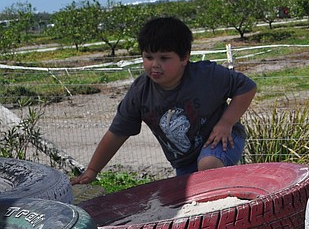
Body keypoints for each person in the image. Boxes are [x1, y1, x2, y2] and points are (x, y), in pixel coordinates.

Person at [71, 16, 256, 185]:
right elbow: (117, 133)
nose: (155, 64)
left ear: (184, 57)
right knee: (189, 195)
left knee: (208, 166)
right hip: (184, 160)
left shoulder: (206, 75)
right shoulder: (140, 92)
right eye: (148, 57)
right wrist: (93, 170)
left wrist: (226, 123)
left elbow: (247, 87)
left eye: (164, 58)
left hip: (221, 141)